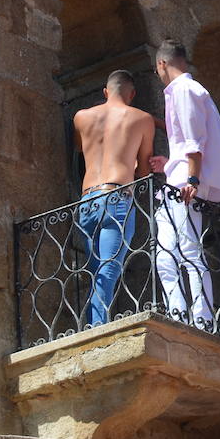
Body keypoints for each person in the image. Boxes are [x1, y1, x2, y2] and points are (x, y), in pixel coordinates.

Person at [148, 39, 220, 324]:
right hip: (178, 179)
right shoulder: (183, 91)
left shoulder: (185, 89)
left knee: (189, 249)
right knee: (165, 252)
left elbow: (196, 140)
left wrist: (192, 178)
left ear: (162, 64)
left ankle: (202, 316)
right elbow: (185, 144)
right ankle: (177, 310)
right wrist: (169, 163)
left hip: (186, 184)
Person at [72, 70, 155, 326]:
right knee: (109, 268)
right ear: (132, 94)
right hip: (117, 197)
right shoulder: (141, 118)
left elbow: (80, 149)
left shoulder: (81, 117)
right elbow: (144, 170)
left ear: (105, 92)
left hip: (87, 201)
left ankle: (93, 320)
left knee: (96, 268)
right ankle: (96, 326)